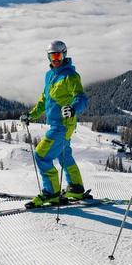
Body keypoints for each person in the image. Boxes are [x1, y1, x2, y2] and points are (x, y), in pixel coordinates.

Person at [19, 40, 89, 208]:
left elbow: (81, 98)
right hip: (56, 124)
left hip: (63, 124)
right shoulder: (49, 75)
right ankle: (76, 188)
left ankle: (51, 193)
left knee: (41, 154)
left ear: (64, 54)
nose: (56, 59)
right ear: (48, 57)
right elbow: (44, 100)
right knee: (64, 154)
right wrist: (31, 115)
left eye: (59, 55)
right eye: (52, 55)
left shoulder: (70, 76)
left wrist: (73, 108)